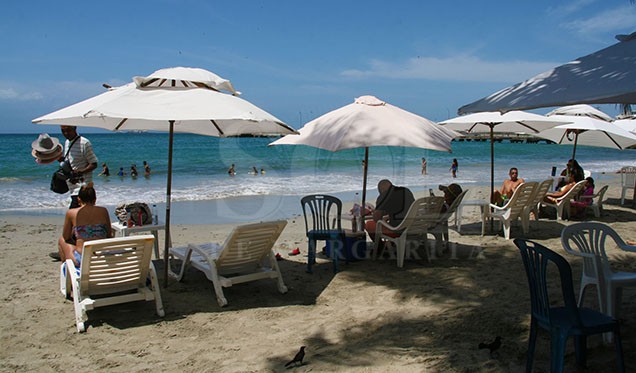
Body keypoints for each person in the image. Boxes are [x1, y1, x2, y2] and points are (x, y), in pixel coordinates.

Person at [55, 186, 113, 266]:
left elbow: (66, 237)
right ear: (95, 199)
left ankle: (68, 271)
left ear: (79, 199)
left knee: (62, 240)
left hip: (83, 259)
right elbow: (109, 234)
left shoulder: (72, 213)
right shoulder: (103, 211)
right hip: (102, 256)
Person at [59, 126, 98, 209]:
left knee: (74, 216)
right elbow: (70, 162)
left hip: (84, 189)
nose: (66, 133)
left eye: (68, 130)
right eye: (63, 131)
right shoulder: (67, 142)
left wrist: (81, 171)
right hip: (73, 189)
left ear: (75, 128)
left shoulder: (84, 143)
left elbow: (94, 164)